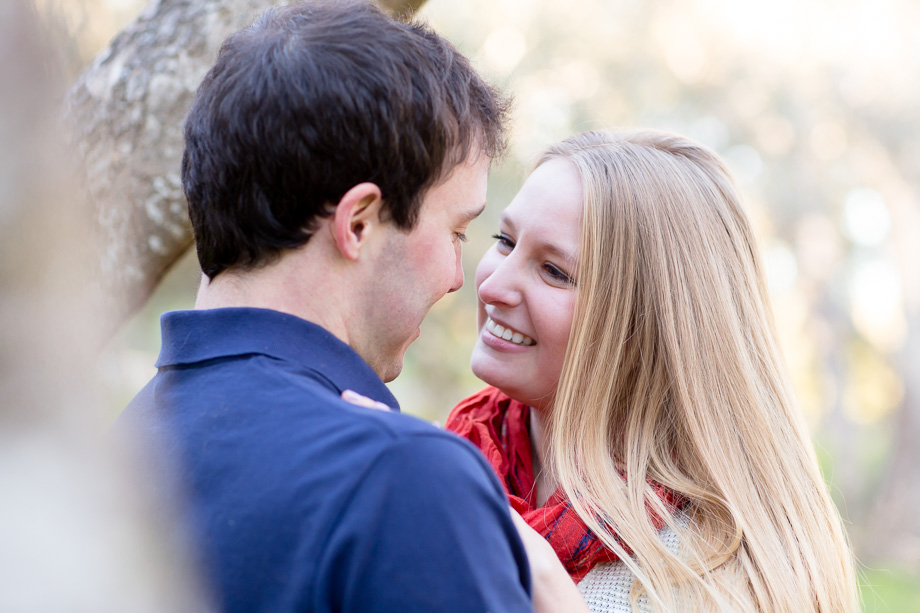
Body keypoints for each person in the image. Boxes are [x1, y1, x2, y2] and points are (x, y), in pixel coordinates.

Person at [118, 2, 587, 611]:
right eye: (457, 232)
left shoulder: (108, 456)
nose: (457, 278)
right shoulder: (403, 481)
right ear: (359, 224)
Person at [447, 129, 860, 612]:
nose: (493, 284)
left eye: (554, 271)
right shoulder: (451, 462)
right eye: (505, 240)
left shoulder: (715, 577)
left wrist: (536, 571)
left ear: (648, 323)